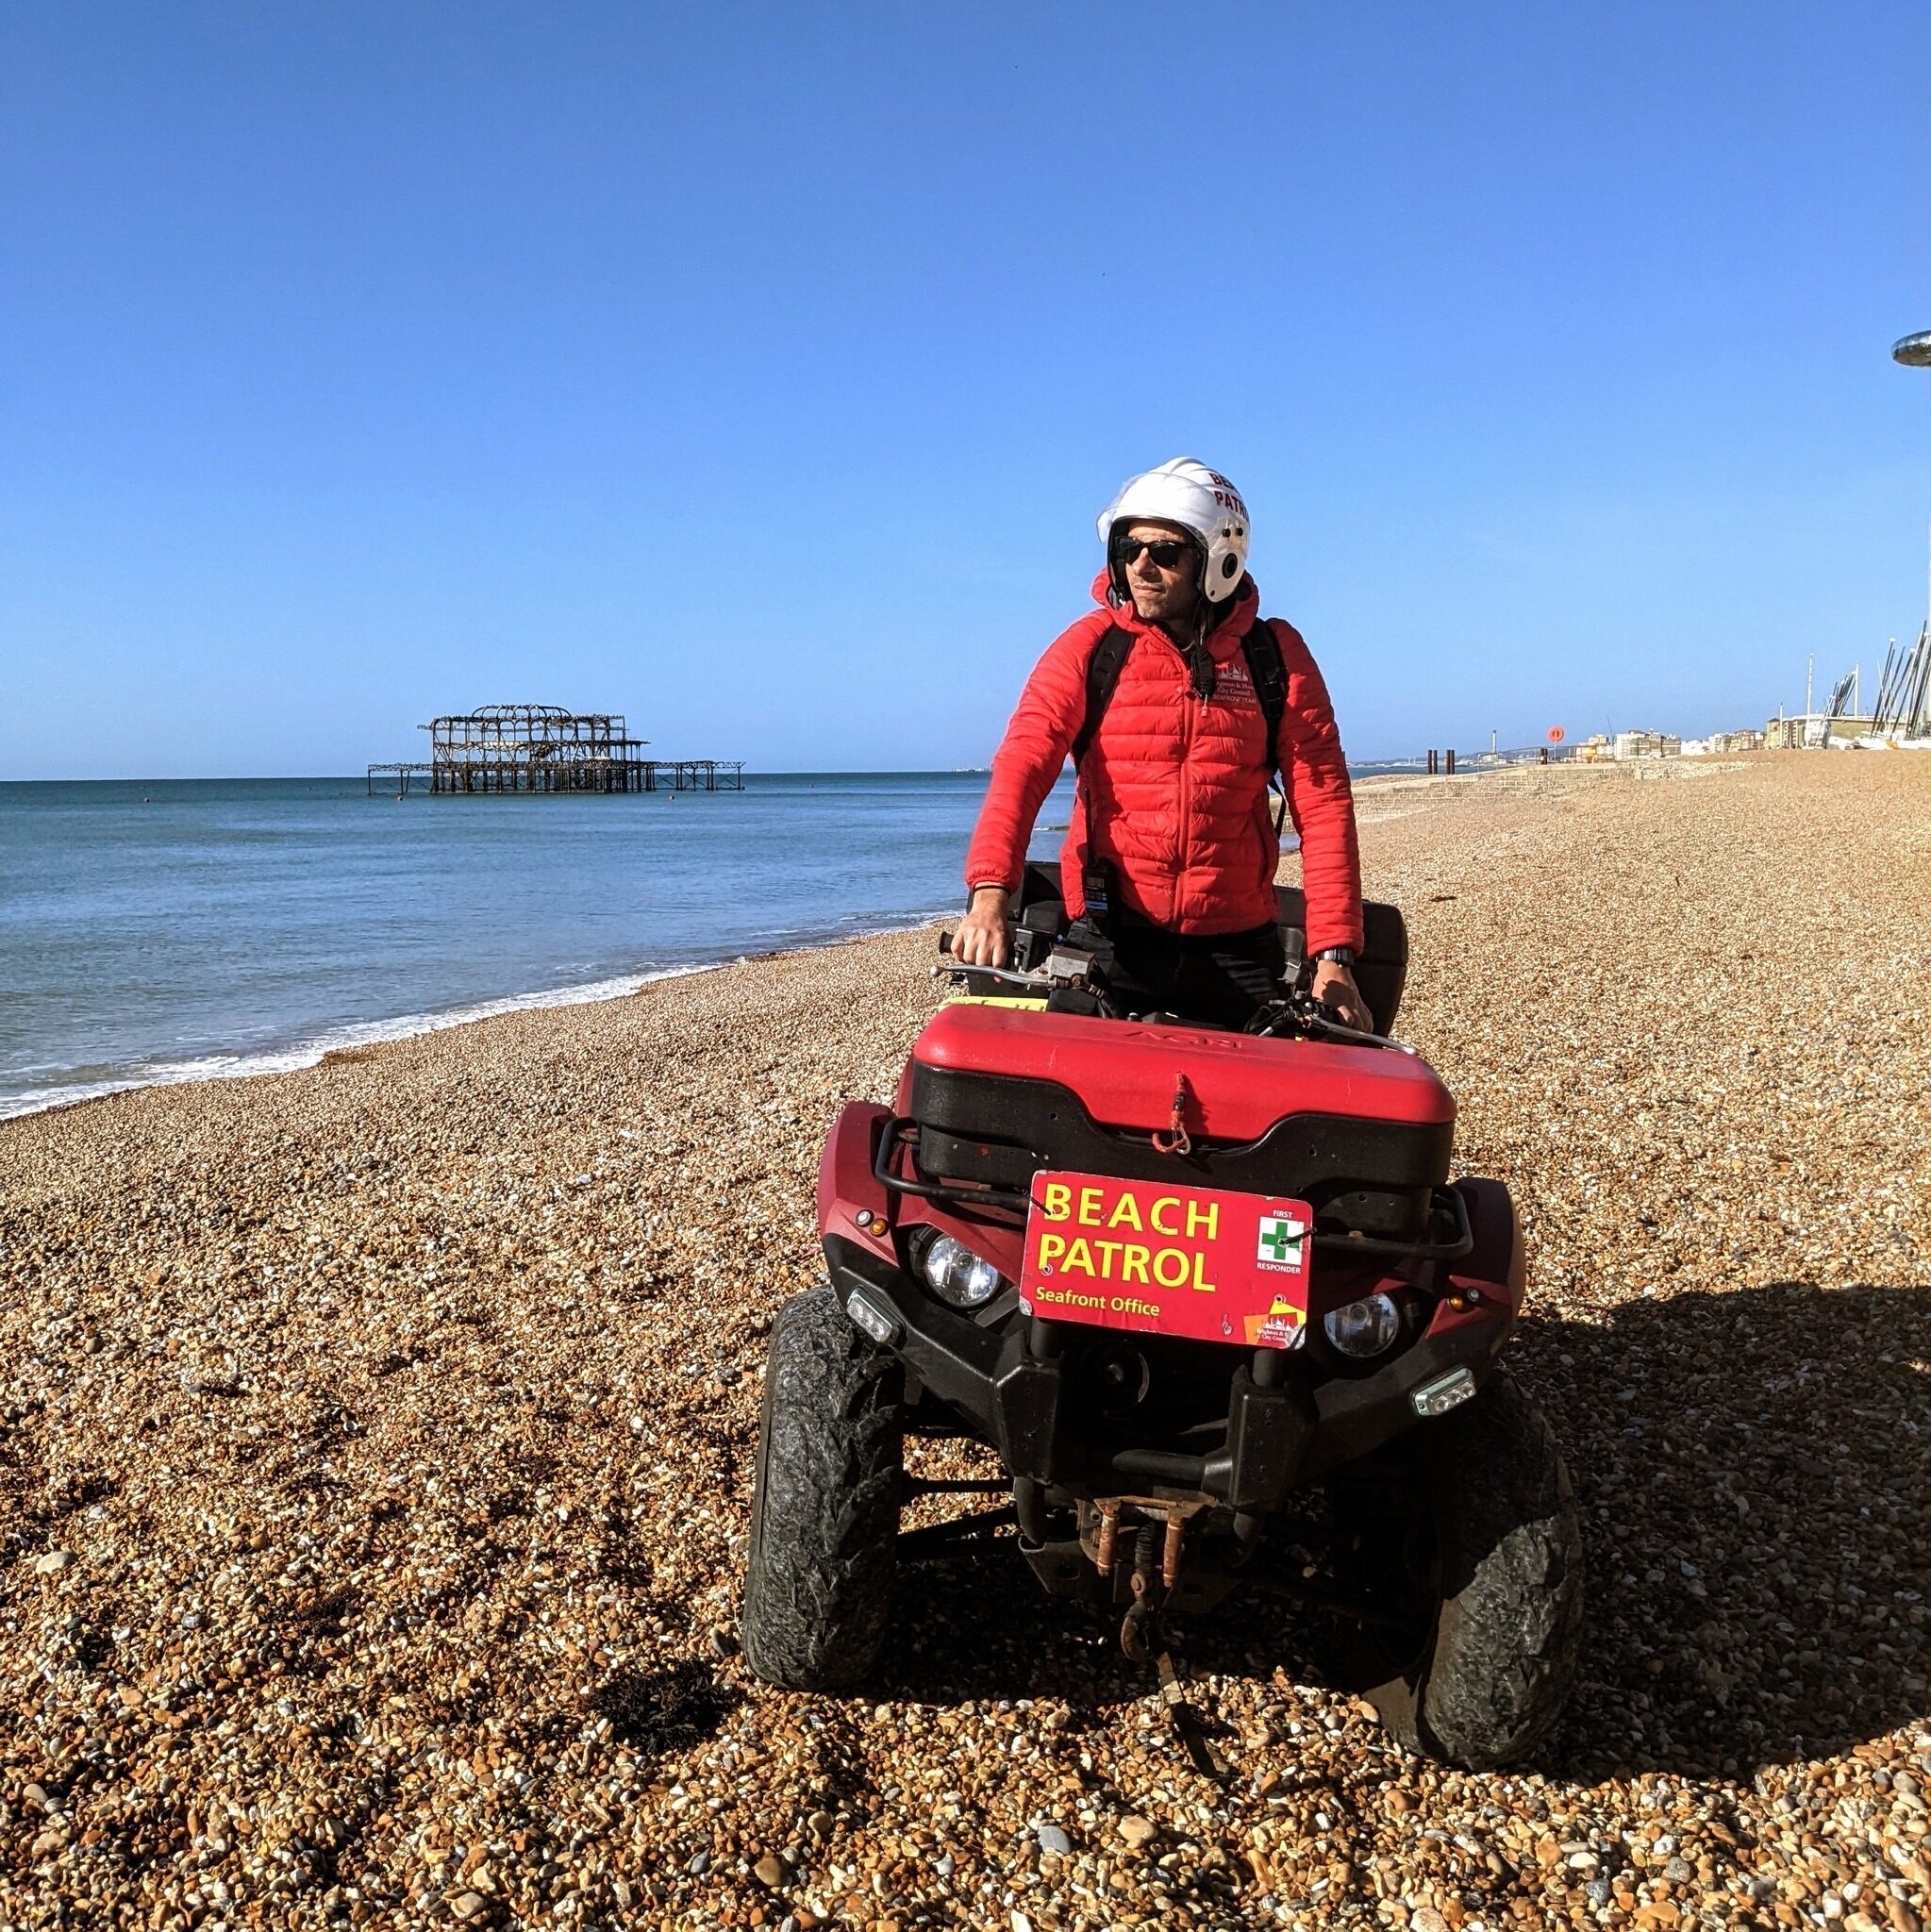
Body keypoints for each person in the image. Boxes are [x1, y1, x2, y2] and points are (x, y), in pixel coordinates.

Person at [953, 458, 1370, 1032]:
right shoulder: (1091, 646)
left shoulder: (1275, 657)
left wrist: (1334, 958)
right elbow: (1024, 764)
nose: (1141, 566)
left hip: (1238, 942)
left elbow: (1322, 806)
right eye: (1129, 549)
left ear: (1219, 561)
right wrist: (990, 896)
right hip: (1109, 938)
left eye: (1165, 552)